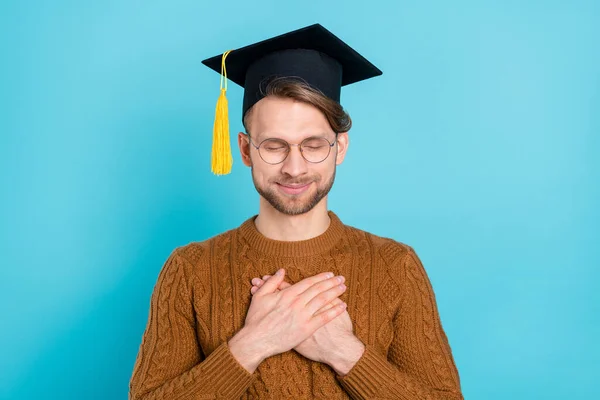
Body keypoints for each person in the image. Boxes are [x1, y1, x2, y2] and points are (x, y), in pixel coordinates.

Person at [129, 23, 463, 400]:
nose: (294, 167)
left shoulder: (395, 265)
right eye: (274, 146)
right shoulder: (189, 269)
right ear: (244, 149)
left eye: (313, 144)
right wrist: (253, 344)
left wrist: (345, 352)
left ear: (340, 148)